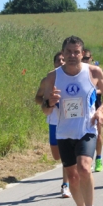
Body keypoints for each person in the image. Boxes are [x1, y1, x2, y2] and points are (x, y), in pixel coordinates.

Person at [41, 36, 103, 206]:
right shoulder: (52, 77)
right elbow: (45, 111)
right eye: (69, 52)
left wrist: (100, 111)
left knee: (84, 168)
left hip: (87, 129)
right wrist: (49, 103)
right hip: (64, 132)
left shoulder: (93, 72)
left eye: (77, 52)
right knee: (72, 177)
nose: (73, 55)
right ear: (63, 54)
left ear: (82, 54)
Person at [35, 51, 71, 197]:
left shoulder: (71, 79)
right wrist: (47, 102)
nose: (62, 62)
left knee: (65, 155)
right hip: (53, 121)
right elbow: (37, 98)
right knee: (57, 156)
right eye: (59, 60)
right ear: (54, 63)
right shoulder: (47, 81)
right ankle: (71, 168)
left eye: (64, 60)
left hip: (68, 121)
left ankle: (65, 184)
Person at [82, 49, 103, 173]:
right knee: (84, 134)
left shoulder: (96, 71)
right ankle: (87, 160)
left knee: (98, 133)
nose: (85, 60)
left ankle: (99, 158)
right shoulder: (78, 71)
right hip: (83, 107)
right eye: (83, 58)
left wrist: (92, 92)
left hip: (96, 104)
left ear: (91, 58)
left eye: (87, 58)